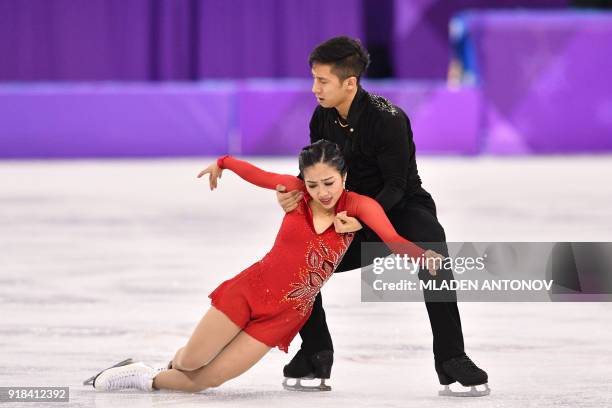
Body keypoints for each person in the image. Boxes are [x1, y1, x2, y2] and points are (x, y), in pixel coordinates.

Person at [88, 140, 444, 393]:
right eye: (313, 183)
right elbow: (256, 174)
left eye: (329, 183)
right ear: (303, 180)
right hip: (252, 289)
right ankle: (163, 367)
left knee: (206, 380)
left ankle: (141, 376)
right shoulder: (295, 193)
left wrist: (422, 256)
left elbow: (393, 238)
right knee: (188, 363)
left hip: (287, 314)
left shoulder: (360, 207)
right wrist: (223, 162)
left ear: (345, 176)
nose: (322, 192)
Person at [276, 36, 489, 396]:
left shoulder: (387, 119)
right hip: (348, 211)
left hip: (401, 209)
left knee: (434, 249)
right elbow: (316, 174)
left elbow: (396, 184)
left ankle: (452, 357)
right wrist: (294, 193)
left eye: (322, 81)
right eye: (314, 79)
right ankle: (315, 351)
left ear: (350, 82)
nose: (314, 88)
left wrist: (363, 221)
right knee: (295, 264)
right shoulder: (321, 117)